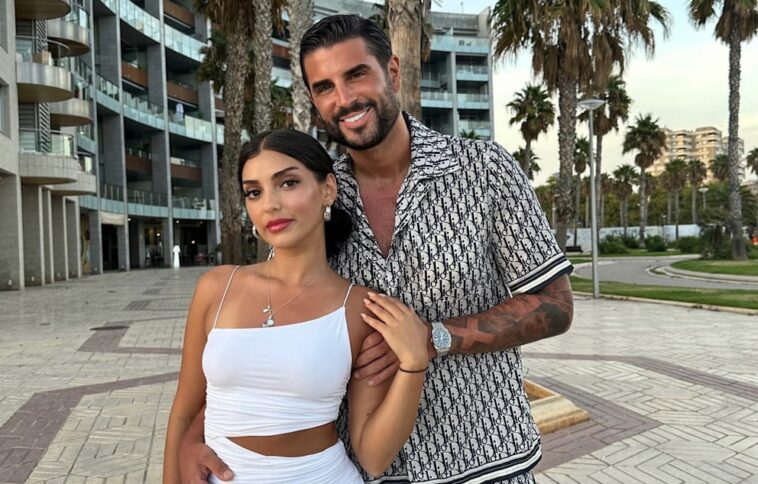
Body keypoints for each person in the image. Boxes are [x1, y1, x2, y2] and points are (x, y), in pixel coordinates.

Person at [180, 14, 574, 484]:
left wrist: (434, 337)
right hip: (363, 471)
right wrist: (195, 437)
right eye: (324, 87)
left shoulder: (483, 169)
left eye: (356, 75)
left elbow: (556, 305)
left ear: (392, 71)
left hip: (484, 460)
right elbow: (269, 347)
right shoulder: (311, 193)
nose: (344, 99)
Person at [164, 129, 431, 483]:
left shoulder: (361, 308)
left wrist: (414, 364)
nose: (269, 204)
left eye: (288, 183)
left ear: (328, 190)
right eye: (254, 192)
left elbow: (374, 458)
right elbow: (183, 413)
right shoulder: (217, 287)